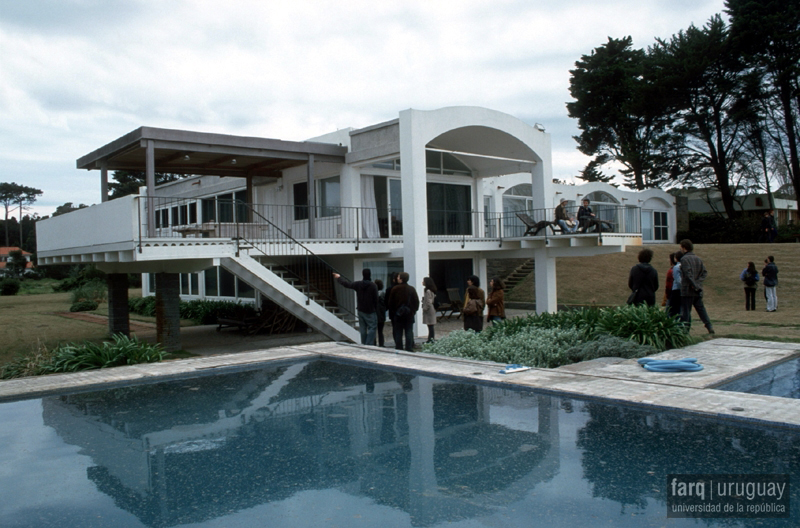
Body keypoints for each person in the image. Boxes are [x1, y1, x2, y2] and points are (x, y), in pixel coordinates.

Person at [333, 269, 379, 345]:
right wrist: (375, 308)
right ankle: (369, 344)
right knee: (372, 327)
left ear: (362, 274)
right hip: (370, 310)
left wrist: (339, 278)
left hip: (360, 309)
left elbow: (347, 284)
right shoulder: (373, 286)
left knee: (363, 328)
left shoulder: (358, 284)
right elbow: (376, 299)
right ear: (370, 274)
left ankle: (364, 344)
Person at [678, 239, 714, 334]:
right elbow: (704, 272)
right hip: (697, 290)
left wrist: (694, 285)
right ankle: (709, 326)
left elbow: (688, 274)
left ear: (684, 248)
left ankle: (685, 331)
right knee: (701, 310)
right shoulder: (698, 259)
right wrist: (698, 284)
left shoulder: (684, 259)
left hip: (687, 289)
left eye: (681, 247)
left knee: (686, 311)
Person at [387, 272, 419, 351]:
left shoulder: (395, 289)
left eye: (398, 277)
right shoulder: (411, 289)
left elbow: (390, 303)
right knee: (408, 331)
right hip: (409, 313)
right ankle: (408, 348)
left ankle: (399, 347)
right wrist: (413, 311)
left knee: (398, 332)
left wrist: (394, 311)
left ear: (401, 279)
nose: (397, 278)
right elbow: (416, 302)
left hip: (398, 314)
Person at [421, 277, 438, 343]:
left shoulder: (428, 291)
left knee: (430, 325)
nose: (422, 282)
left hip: (429, 309)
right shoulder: (431, 290)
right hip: (431, 308)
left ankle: (430, 339)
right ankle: (430, 339)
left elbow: (428, 301)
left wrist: (425, 308)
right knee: (430, 325)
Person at [668, 252, 683, 319]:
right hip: (682, 291)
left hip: (676, 290)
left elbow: (678, 280)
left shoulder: (676, 267)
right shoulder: (683, 266)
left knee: (673, 309)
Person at [375, 279, 386, 346]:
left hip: (374, 313)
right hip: (381, 314)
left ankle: (373, 343)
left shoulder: (373, 294)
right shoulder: (383, 294)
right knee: (380, 331)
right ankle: (381, 344)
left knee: (373, 330)